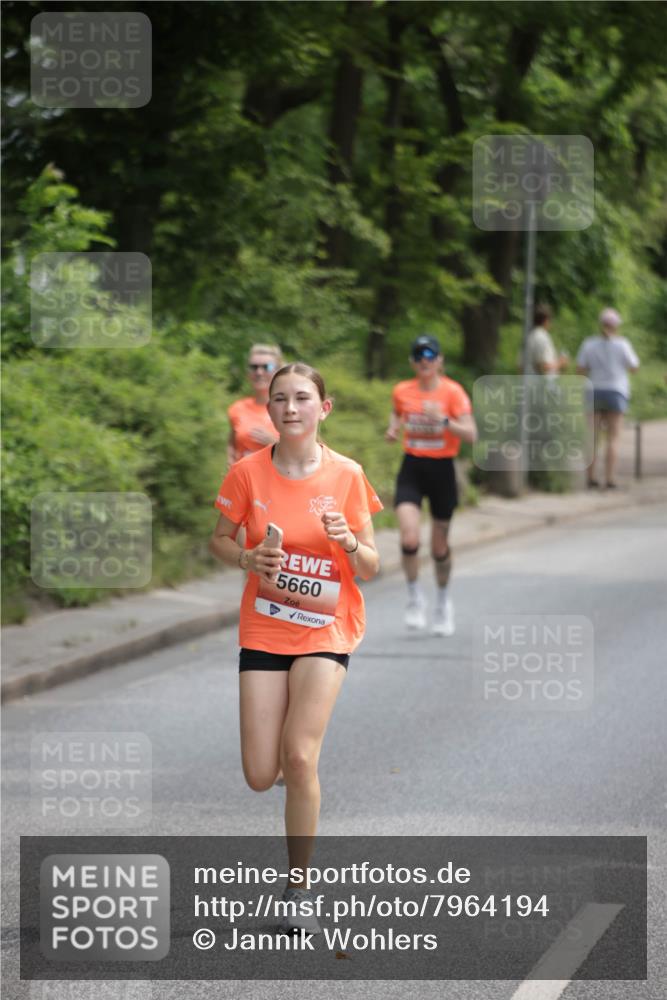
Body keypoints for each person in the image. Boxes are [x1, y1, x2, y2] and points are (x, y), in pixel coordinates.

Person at [209, 362, 383, 935]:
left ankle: (300, 888)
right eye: (280, 398)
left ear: (322, 409)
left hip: (326, 628)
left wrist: (349, 540)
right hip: (265, 626)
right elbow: (219, 538)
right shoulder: (247, 474)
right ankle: (284, 769)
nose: (290, 407)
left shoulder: (348, 475)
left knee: (301, 755)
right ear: (269, 409)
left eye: (303, 398)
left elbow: (372, 566)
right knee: (261, 774)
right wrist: (246, 559)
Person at [385, 335, 477, 636]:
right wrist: (393, 427)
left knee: (439, 548)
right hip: (412, 466)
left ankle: (442, 602)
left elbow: (471, 435)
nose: (425, 360)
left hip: (442, 469)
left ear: (439, 361)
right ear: (413, 362)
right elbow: (398, 412)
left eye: (431, 355)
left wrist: (445, 422)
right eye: (419, 355)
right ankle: (414, 597)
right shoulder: (402, 390)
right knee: (410, 538)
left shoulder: (453, 393)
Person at [576, 308, 640, 489]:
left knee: (592, 437)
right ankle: (610, 479)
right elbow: (634, 367)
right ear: (617, 325)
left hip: (594, 391)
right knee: (613, 437)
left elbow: (580, 369)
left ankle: (590, 478)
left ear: (601, 325)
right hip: (616, 392)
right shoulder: (622, 344)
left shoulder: (589, 344)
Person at [227, 343, 283, 467]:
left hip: (278, 481)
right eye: (254, 367)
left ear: (278, 371)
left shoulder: (289, 409)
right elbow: (232, 444)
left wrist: (274, 443)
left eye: (266, 367)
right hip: (243, 481)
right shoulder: (237, 408)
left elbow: (305, 453)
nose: (259, 372)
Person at [523, 304, 569, 376]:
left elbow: (520, 366)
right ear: (546, 320)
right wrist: (561, 362)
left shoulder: (529, 336)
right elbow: (545, 367)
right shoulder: (543, 337)